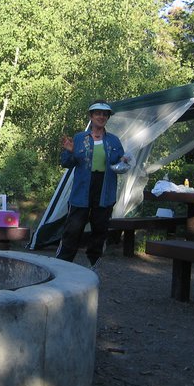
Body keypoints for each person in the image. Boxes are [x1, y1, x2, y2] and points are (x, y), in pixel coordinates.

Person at [55, 100, 128, 269]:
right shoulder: (79, 138)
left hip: (104, 190)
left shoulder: (114, 141)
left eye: (104, 114)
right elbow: (67, 163)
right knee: (73, 229)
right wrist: (69, 151)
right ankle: (61, 266)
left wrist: (124, 160)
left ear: (107, 117)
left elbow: (120, 165)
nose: (101, 117)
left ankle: (93, 265)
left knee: (100, 229)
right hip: (82, 190)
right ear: (91, 116)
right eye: (97, 113)